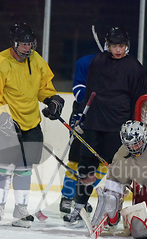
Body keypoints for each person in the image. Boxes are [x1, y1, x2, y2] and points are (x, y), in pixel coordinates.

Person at [63, 26, 147, 226]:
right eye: (113, 45)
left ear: (126, 46)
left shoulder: (134, 67)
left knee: (115, 171)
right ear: (107, 45)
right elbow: (90, 91)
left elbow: (140, 98)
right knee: (86, 166)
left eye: (120, 46)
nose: (117, 50)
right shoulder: (98, 62)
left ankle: (112, 212)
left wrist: (136, 124)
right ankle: (79, 207)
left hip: (117, 126)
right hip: (94, 122)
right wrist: (80, 114)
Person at [0, 23, 64, 228]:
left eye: (30, 44)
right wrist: (3, 120)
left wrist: (52, 99)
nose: (27, 48)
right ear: (14, 43)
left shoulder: (36, 60)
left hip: (31, 122)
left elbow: (44, 87)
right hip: (5, 123)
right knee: (3, 167)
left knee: (24, 168)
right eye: (23, 44)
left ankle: (20, 210)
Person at [58, 54, 105, 215]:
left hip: (108, 118)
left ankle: (81, 197)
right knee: (76, 159)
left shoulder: (123, 65)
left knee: (102, 163)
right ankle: (67, 196)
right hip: (84, 113)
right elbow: (78, 91)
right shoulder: (86, 62)